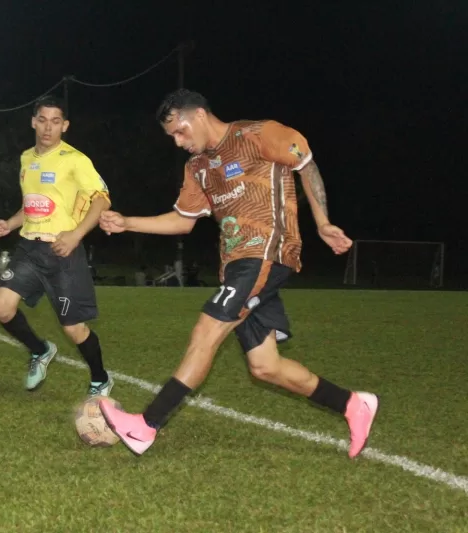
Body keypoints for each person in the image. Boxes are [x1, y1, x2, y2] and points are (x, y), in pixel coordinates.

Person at [98, 89, 378, 458]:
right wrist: (127, 223)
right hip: (236, 265)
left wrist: (323, 222)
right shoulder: (197, 167)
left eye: (180, 131)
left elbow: (306, 163)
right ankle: (354, 404)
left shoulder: (257, 134)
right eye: (172, 137)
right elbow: (183, 221)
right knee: (265, 366)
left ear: (199, 114)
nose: (178, 142)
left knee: (207, 330)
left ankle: (146, 425)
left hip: (266, 252)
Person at [0, 96, 114, 397]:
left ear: (65, 125)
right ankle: (40, 350)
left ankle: (100, 379)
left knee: (74, 329)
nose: (48, 128)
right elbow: (32, 205)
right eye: (43, 120)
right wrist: (10, 223)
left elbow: (102, 200)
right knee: (1, 306)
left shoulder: (75, 159)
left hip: (63, 251)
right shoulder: (26, 159)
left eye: (55, 121)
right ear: (33, 122)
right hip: (30, 249)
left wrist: (76, 235)